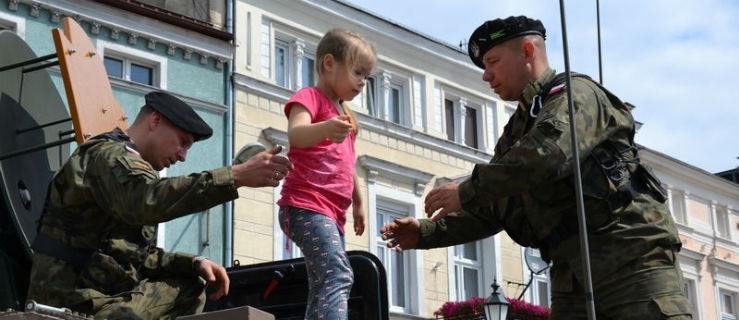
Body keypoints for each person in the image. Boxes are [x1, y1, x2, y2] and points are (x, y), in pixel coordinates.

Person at [381, 16, 693, 319]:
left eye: (492, 62)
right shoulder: (517, 129)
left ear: (528, 52)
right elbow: (495, 207)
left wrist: (467, 189)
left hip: (632, 263)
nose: (486, 76)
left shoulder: (576, 94)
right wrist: (425, 233)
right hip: (572, 277)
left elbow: (549, 153)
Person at [27, 91, 293, 319]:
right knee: (184, 290)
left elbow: (139, 257)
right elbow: (148, 200)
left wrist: (194, 262)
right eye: (183, 142)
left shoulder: (130, 168)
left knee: (189, 282)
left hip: (99, 297)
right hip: (70, 299)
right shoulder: (108, 156)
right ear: (155, 121)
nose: (182, 156)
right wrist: (234, 176)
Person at [277, 28, 376, 320]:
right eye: (358, 73)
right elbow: (296, 135)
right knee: (338, 274)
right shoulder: (310, 97)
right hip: (305, 204)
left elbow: (348, 164)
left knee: (325, 282)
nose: (362, 83)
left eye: (366, 77)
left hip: (332, 213)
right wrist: (325, 128)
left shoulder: (346, 116)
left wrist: (358, 202)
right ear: (329, 63)